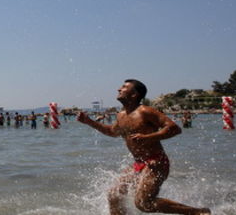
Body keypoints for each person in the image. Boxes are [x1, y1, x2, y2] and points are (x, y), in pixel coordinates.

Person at [77, 79, 210, 215]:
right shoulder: (121, 115)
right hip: (139, 164)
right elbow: (112, 131)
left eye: (124, 87)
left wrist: (148, 137)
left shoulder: (146, 111)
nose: (119, 89)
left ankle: (198, 212)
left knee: (143, 203)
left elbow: (174, 128)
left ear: (134, 94)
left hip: (156, 162)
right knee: (114, 194)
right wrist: (89, 122)